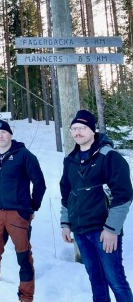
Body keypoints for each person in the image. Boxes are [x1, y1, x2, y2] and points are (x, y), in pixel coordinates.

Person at [60, 110, 133, 302]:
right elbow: (66, 194)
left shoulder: (109, 157)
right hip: (81, 232)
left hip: (103, 232)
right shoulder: (70, 161)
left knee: (116, 280)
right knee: (96, 280)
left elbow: (123, 195)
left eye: (82, 128)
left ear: (93, 130)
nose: (77, 132)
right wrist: (65, 222)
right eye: (74, 128)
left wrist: (111, 229)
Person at [0, 120, 46, 302]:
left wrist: (32, 207)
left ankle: (26, 298)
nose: (0, 136)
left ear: (10, 134)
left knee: (23, 256)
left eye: (4, 132)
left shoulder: (24, 155)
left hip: (18, 213)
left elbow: (39, 183)